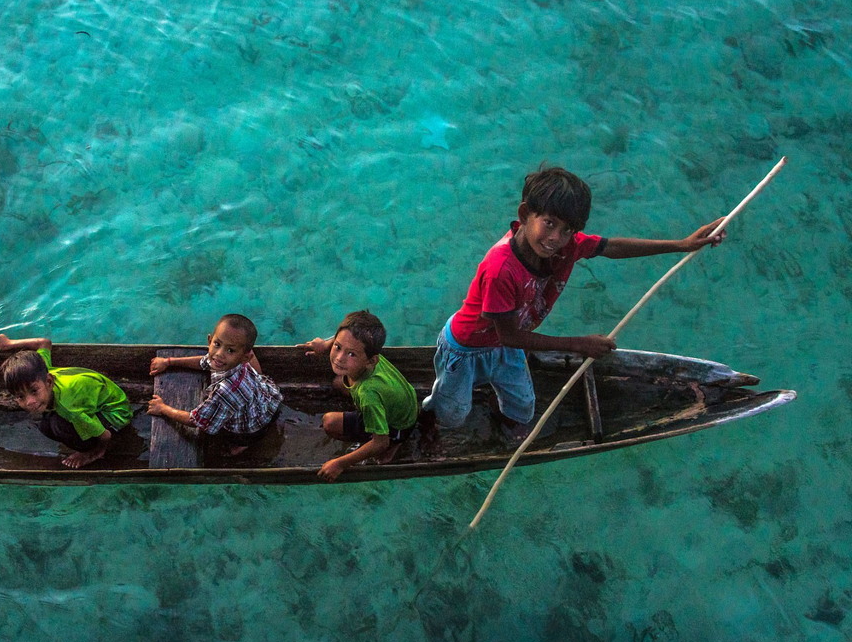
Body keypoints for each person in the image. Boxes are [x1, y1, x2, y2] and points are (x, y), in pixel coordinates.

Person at [422, 164, 727, 440]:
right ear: (525, 213)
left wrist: (681, 245)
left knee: (523, 407)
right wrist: (578, 344)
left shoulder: (567, 247)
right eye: (549, 223)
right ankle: (428, 419)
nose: (556, 238)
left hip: (505, 348)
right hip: (466, 348)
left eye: (567, 230)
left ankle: (499, 413)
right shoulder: (500, 269)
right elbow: (510, 335)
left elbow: (611, 247)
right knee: (451, 414)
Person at [297, 310, 418, 481]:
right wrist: (325, 345)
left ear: (371, 361)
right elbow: (347, 337)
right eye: (337, 347)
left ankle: (395, 444)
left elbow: (379, 442)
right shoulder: (366, 350)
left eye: (351, 354)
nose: (339, 358)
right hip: (404, 401)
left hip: (397, 426)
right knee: (339, 382)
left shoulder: (368, 395)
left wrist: (340, 463)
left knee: (330, 422)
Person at [146, 314, 283, 455]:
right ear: (210, 340)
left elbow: (197, 420)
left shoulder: (226, 391)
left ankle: (242, 445)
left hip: (252, 426)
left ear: (245, 357)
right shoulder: (233, 362)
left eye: (230, 350)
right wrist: (169, 362)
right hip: (267, 402)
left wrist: (162, 408)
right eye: (217, 344)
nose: (219, 354)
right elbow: (205, 362)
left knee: (233, 442)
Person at [0, 334, 132, 468]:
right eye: (21, 397)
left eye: (34, 391)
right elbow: (44, 343)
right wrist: (9, 344)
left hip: (116, 413)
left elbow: (105, 435)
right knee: (45, 425)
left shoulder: (69, 408)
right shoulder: (42, 369)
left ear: (49, 381)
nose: (29, 402)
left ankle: (90, 449)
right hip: (95, 397)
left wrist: (94, 452)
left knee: (58, 426)